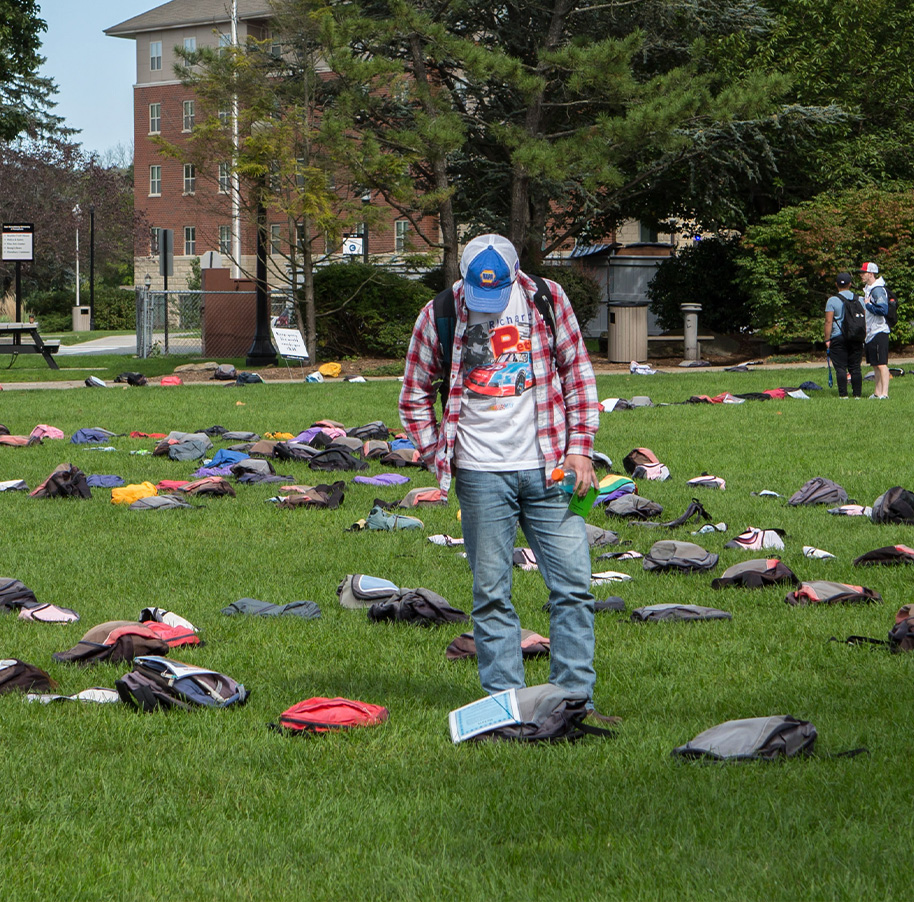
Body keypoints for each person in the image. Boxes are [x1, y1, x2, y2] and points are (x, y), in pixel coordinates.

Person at [399, 234, 610, 719]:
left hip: (550, 466)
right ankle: (506, 705)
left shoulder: (546, 298)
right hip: (479, 474)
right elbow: (413, 393)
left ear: (515, 275)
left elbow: (577, 374)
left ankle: (573, 701)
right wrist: (440, 455)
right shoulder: (441, 312)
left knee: (573, 587)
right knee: (492, 595)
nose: (487, 305)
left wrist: (581, 450)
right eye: (480, 294)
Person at [824, 272, 863, 399]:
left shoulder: (832, 300)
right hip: (856, 336)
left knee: (840, 367)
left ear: (836, 284)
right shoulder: (859, 299)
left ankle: (843, 395)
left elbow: (828, 321)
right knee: (855, 367)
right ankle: (857, 394)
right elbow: (864, 320)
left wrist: (827, 339)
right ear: (850, 284)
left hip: (838, 336)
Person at [860, 261, 891, 399]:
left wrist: (868, 306)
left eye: (863, 273)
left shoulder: (877, 290)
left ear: (871, 274)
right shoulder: (868, 289)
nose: (861, 275)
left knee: (882, 364)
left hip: (880, 331)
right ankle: (877, 392)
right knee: (875, 364)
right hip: (871, 332)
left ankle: (884, 393)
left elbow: (883, 309)